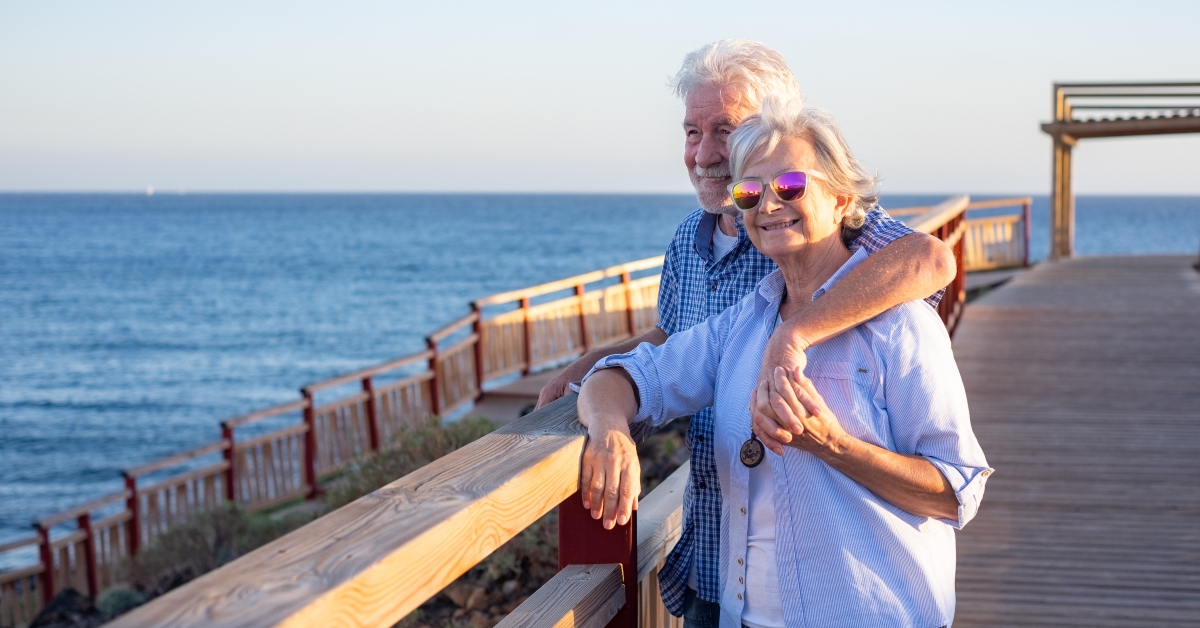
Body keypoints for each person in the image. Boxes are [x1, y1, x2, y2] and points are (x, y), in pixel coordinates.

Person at [538, 41, 957, 623]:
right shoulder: (691, 238)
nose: (705, 153)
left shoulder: (811, 231)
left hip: (840, 578)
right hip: (718, 553)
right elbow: (676, 341)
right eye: (692, 132)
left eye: (725, 130)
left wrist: (793, 336)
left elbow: (930, 261)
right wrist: (600, 366)